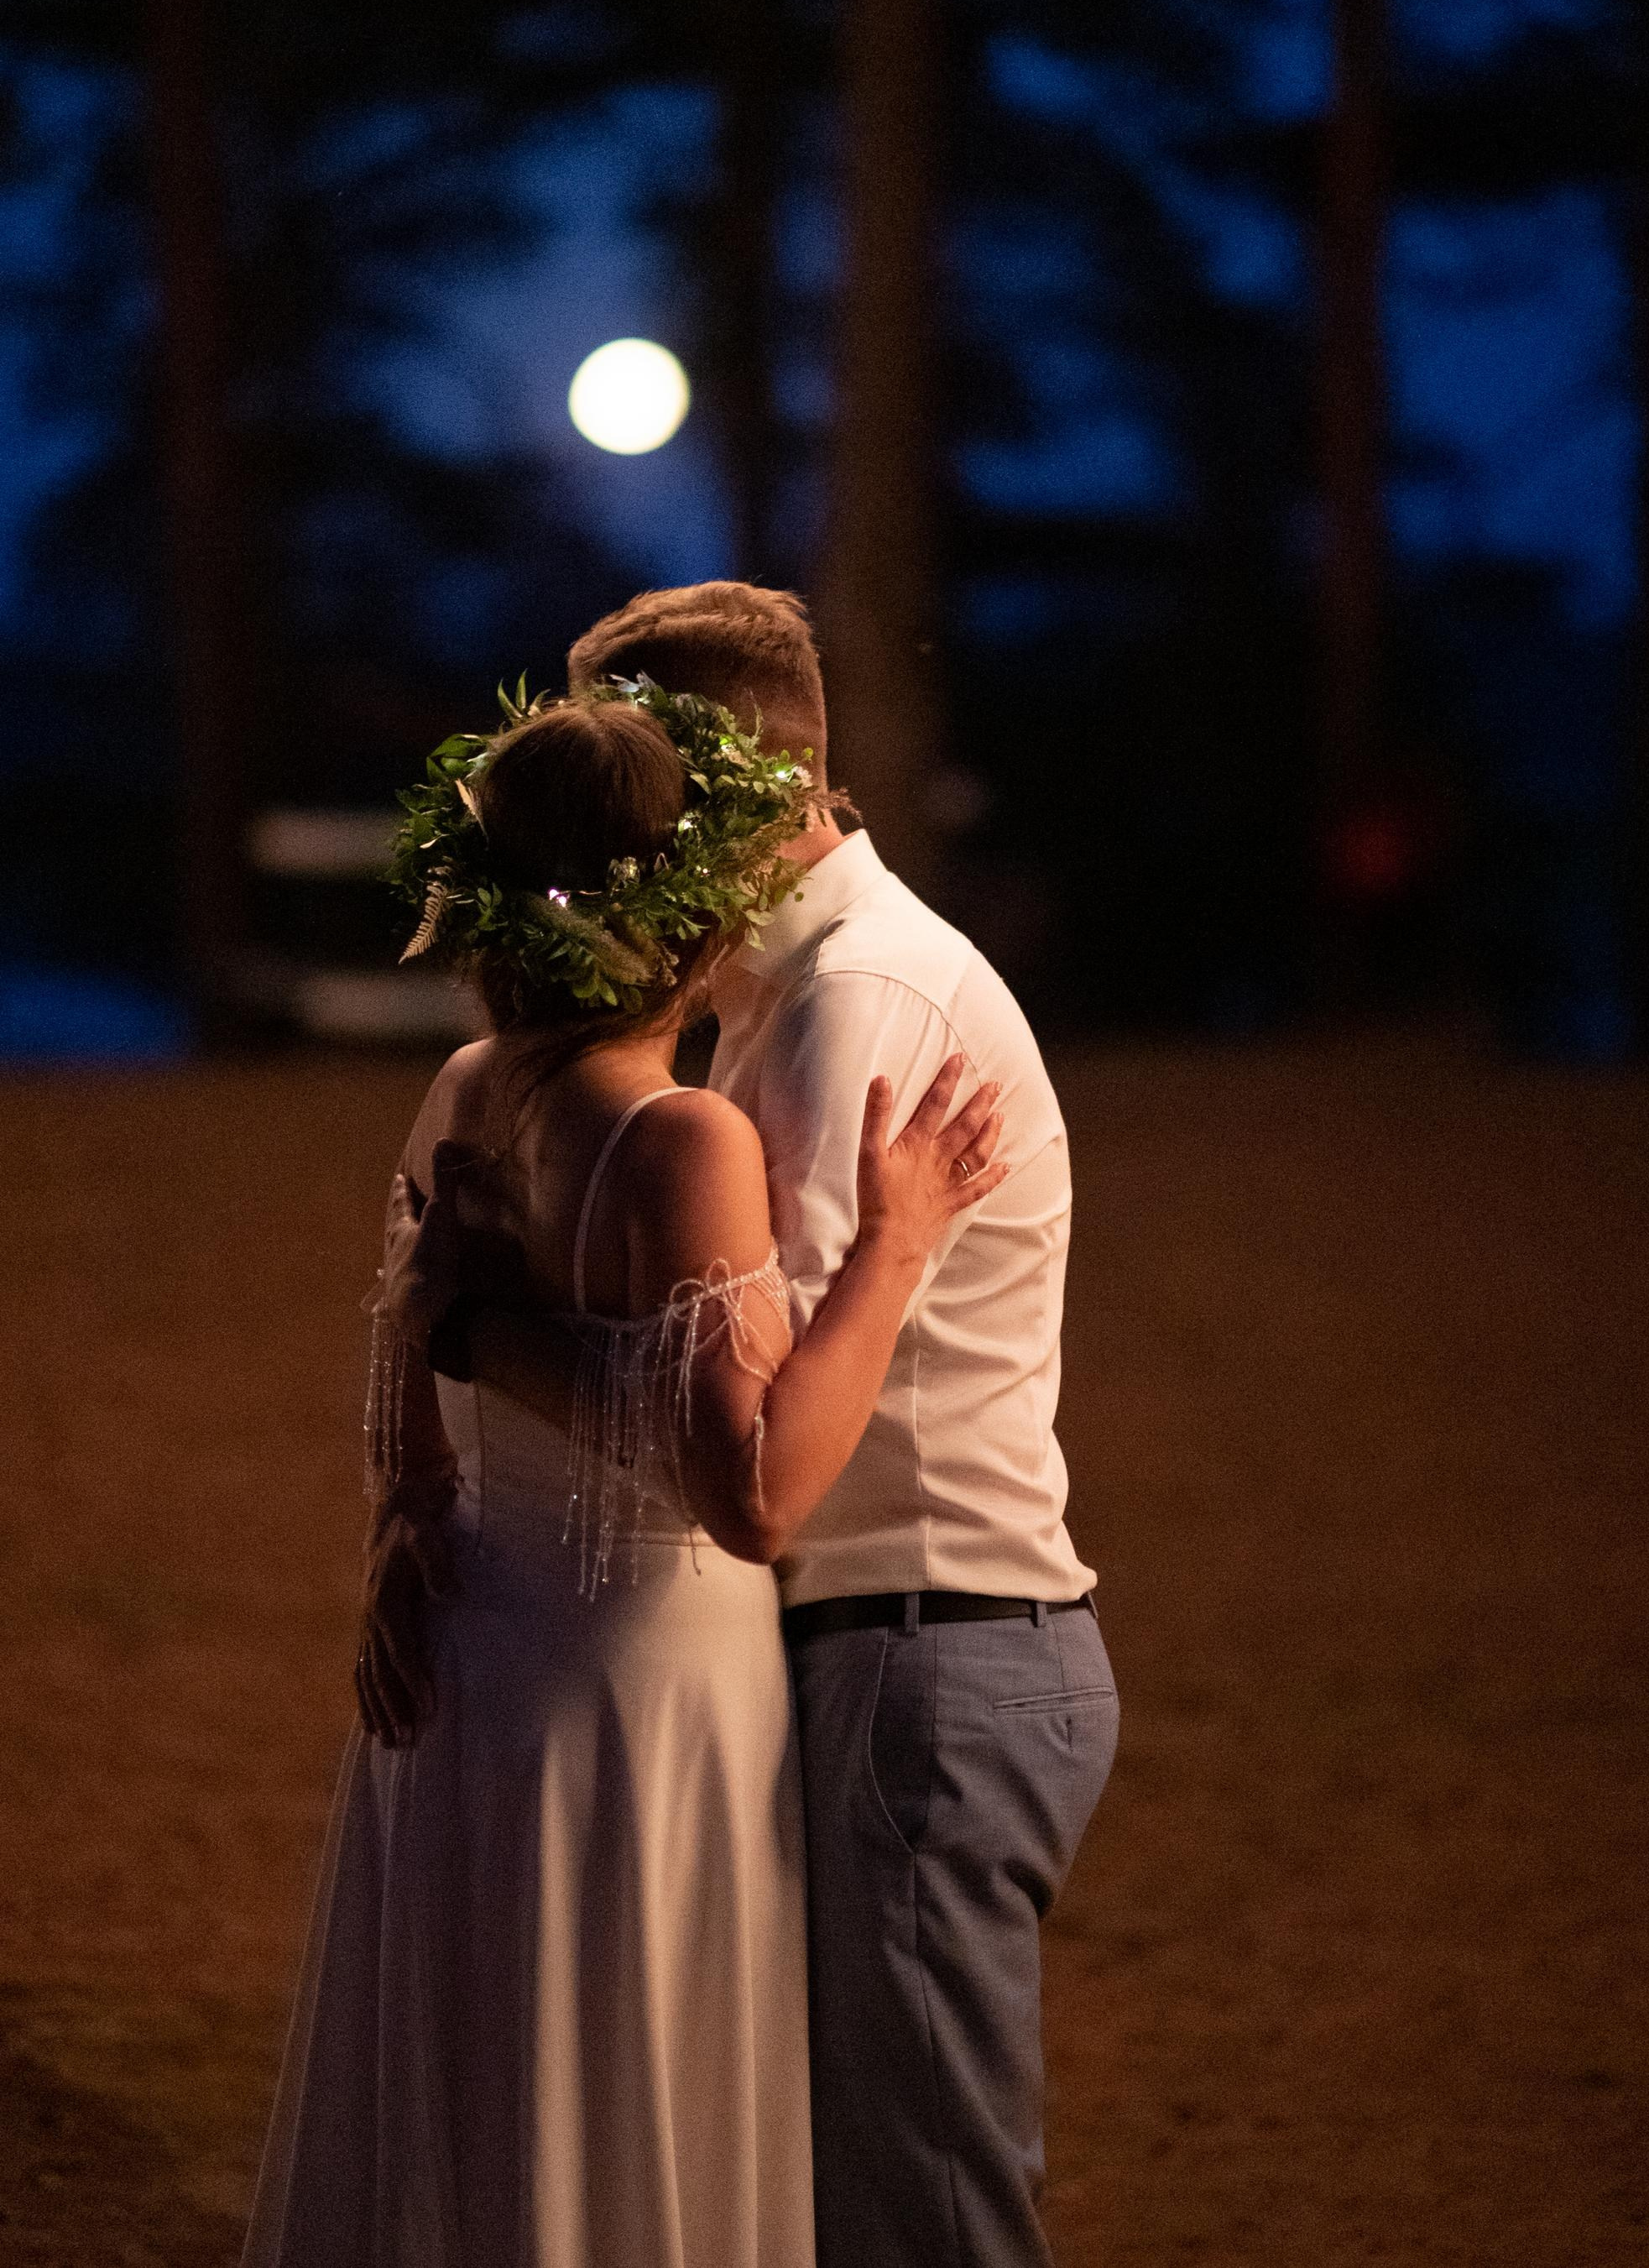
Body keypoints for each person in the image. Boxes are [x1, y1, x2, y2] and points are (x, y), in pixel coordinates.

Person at [242, 675, 1008, 2268]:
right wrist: (896, 1249)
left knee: (481, 2081)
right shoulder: (679, 1141)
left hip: (476, 1653)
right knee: (620, 2068)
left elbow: (410, 1337)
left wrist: (407, 1510)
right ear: (678, 895)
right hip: (638, 1684)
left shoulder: (466, 1091)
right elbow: (755, 1492)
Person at [437, 583, 1119, 2268]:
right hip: (897, 1653)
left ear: (730, 779)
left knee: (924, 2207)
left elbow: (754, 1451)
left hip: (920, 1654)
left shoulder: (847, 1006)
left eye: (637, 781)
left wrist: (482, 1332)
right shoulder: (777, 992)